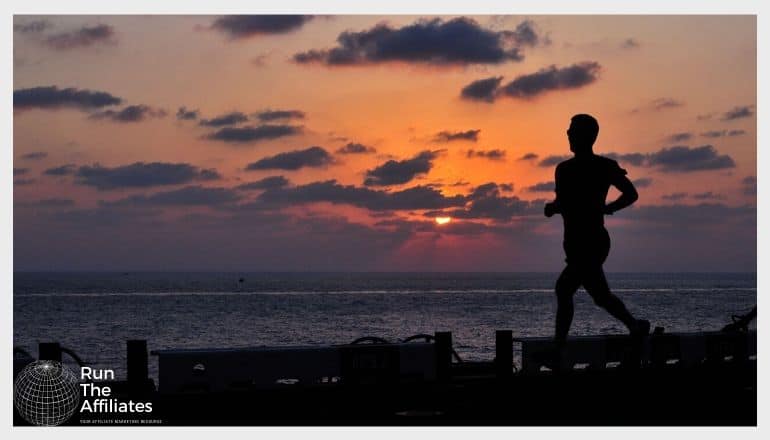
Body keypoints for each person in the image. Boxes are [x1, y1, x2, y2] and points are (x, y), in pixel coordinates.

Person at [544, 114, 649, 346]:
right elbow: (565, 202)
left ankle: (558, 347)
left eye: (572, 130)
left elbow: (631, 194)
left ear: (587, 136)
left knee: (564, 289)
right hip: (573, 242)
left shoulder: (604, 166)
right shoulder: (563, 169)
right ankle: (635, 326)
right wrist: (553, 208)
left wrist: (608, 208)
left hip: (592, 242)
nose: (568, 134)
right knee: (600, 296)